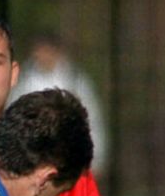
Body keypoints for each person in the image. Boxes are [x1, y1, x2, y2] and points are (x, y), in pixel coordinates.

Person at [10, 32, 108, 177]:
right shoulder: (25, 81)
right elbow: (12, 117)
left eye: (45, 50)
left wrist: (97, 158)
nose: (41, 55)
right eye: (38, 51)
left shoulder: (74, 80)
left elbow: (91, 118)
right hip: (32, 162)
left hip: (69, 161)